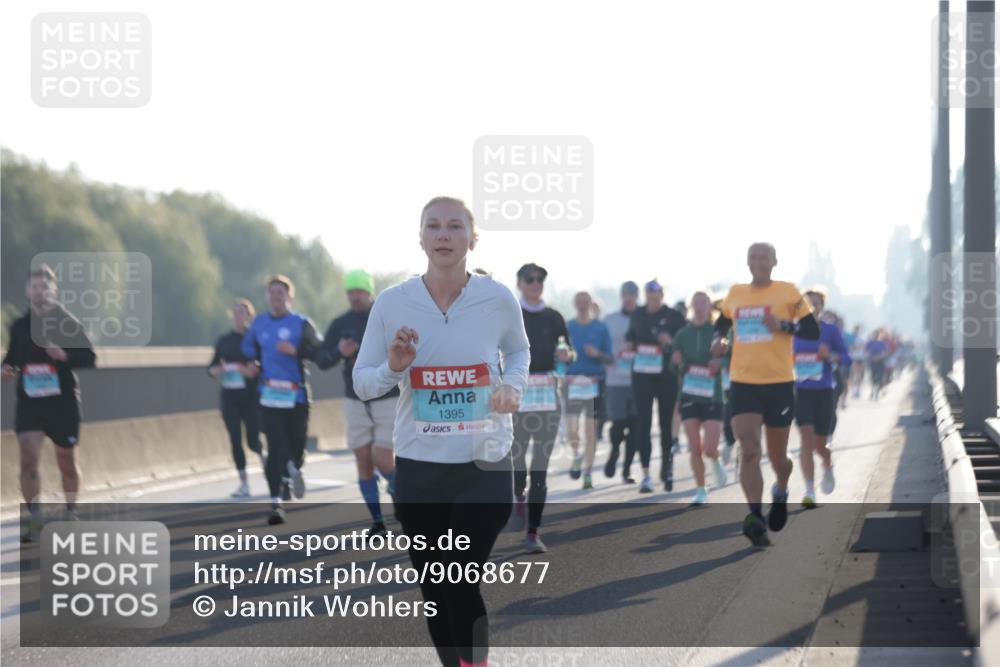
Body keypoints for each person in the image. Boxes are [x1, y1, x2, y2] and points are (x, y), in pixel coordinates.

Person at [353, 196, 529, 667]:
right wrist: (394, 366)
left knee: (460, 577)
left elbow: (518, 352)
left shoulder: (497, 298)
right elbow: (363, 382)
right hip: (420, 468)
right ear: (421, 238)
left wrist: (512, 387)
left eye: (455, 227)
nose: (444, 235)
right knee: (435, 586)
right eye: (434, 226)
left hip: (485, 462)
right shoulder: (393, 303)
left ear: (472, 239)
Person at [712, 243, 819, 546]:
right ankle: (755, 516)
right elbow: (720, 326)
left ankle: (781, 490)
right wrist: (718, 341)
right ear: (747, 262)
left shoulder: (788, 292)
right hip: (743, 382)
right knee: (748, 448)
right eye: (752, 257)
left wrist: (783, 324)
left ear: (774, 262)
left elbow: (812, 331)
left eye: (763, 257)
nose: (757, 262)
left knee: (777, 457)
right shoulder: (736, 294)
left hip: (779, 383)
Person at [3, 265, 96, 542]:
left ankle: (70, 512)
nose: (39, 291)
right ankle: (35, 518)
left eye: (45, 287)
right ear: (27, 290)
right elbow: (13, 358)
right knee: (28, 458)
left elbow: (90, 358)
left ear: (54, 290)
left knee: (66, 460)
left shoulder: (67, 322)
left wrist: (64, 355)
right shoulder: (19, 325)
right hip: (30, 403)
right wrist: (6, 369)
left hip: (63, 402)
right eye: (34, 286)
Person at [315, 269, 399, 536]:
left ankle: (402, 495)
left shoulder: (386, 317)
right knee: (363, 460)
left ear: (369, 292)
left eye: (359, 291)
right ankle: (377, 522)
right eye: (350, 292)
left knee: (383, 458)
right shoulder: (340, 324)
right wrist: (340, 352)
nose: (355, 297)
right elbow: (322, 359)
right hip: (355, 399)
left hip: (387, 397)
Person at [241, 274, 323, 525]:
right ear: (267, 297)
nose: (276, 297)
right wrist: (251, 365)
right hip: (269, 396)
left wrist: (296, 351)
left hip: (296, 395)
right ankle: (275, 502)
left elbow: (320, 352)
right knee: (274, 447)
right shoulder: (259, 324)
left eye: (281, 293)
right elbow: (247, 350)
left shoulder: (301, 323)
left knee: (296, 446)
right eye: (272, 293)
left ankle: (293, 469)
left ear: (290, 297)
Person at [510, 262, 573, 553]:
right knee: (517, 464)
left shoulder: (554, 317)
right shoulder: (511, 314)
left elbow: (569, 352)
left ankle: (533, 533)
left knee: (540, 469)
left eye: (540, 280)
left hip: (547, 397)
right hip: (518, 397)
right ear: (520, 283)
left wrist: (566, 354)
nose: (536, 284)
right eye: (530, 279)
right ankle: (517, 496)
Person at [626, 280, 687, 493]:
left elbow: (683, 344)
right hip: (642, 375)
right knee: (643, 422)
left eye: (656, 293)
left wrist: (669, 342)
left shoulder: (674, 316)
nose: (652, 297)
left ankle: (667, 468)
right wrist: (628, 347)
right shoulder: (638, 314)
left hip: (666, 375)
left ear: (662, 294)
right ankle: (646, 475)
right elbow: (630, 337)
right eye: (649, 293)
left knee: (665, 424)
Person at [793, 290, 850, 508]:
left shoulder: (830, 330)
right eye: (806, 303)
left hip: (824, 391)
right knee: (805, 442)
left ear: (821, 307)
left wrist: (832, 356)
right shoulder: (794, 330)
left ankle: (827, 465)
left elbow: (847, 358)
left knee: (820, 445)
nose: (810, 307)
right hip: (801, 391)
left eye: (815, 304)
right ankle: (809, 490)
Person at [670, 291, 727, 505]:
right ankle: (701, 490)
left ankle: (715, 460)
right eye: (697, 302)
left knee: (710, 448)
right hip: (689, 394)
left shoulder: (717, 332)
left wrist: (719, 363)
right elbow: (672, 363)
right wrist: (674, 360)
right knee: (695, 447)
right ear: (691, 305)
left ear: (710, 306)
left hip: (713, 396)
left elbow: (730, 359)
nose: (700, 306)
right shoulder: (683, 334)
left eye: (704, 302)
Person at [208, 299, 264, 498]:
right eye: (235, 313)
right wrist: (219, 370)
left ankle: (263, 457)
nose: (238, 316)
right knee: (235, 439)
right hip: (229, 398)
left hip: (250, 397)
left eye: (241, 313)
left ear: (248, 316)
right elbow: (211, 367)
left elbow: (263, 365)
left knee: (251, 440)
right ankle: (243, 483)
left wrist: (252, 370)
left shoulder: (254, 339)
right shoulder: (224, 340)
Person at [564, 291, 613, 490]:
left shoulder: (600, 328)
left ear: (590, 304)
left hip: (594, 382)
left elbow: (610, 358)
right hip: (573, 382)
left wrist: (597, 353)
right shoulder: (568, 327)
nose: (583, 305)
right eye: (579, 302)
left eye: (586, 302)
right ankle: (576, 456)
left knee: (590, 431)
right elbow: (558, 355)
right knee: (571, 429)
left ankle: (588, 473)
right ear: (575, 304)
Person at [602, 281, 640, 483]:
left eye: (632, 294)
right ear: (621, 296)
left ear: (637, 296)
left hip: (639, 381)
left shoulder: (643, 318)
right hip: (615, 379)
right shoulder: (609, 320)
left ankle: (626, 470)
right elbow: (602, 345)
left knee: (635, 425)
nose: (629, 297)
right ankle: (615, 449)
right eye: (626, 294)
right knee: (618, 424)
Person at [865, 329, 890, 401]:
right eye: (874, 335)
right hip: (872, 362)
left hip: (880, 362)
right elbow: (866, 351)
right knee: (872, 377)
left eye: (877, 335)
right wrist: (871, 357)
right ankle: (872, 390)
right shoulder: (870, 343)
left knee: (879, 377)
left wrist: (879, 357)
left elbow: (885, 352)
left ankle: (877, 393)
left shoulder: (882, 343)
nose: (875, 336)